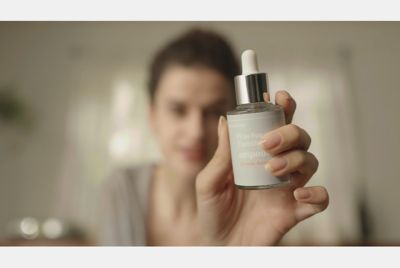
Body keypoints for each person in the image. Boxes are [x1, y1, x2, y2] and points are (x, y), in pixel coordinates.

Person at [98, 28, 329, 246]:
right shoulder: (121, 190)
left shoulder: (256, 205)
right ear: (152, 116)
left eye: (214, 112)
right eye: (178, 110)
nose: (196, 131)